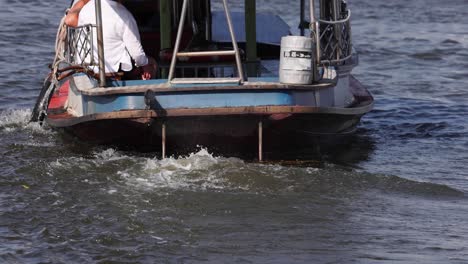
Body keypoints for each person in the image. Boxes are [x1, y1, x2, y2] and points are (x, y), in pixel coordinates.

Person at [65, 0, 156, 80]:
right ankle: (147, 92)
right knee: (151, 62)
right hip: (113, 71)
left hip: (86, 67)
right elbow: (137, 55)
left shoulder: (85, 10)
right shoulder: (124, 15)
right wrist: (145, 64)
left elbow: (69, 20)